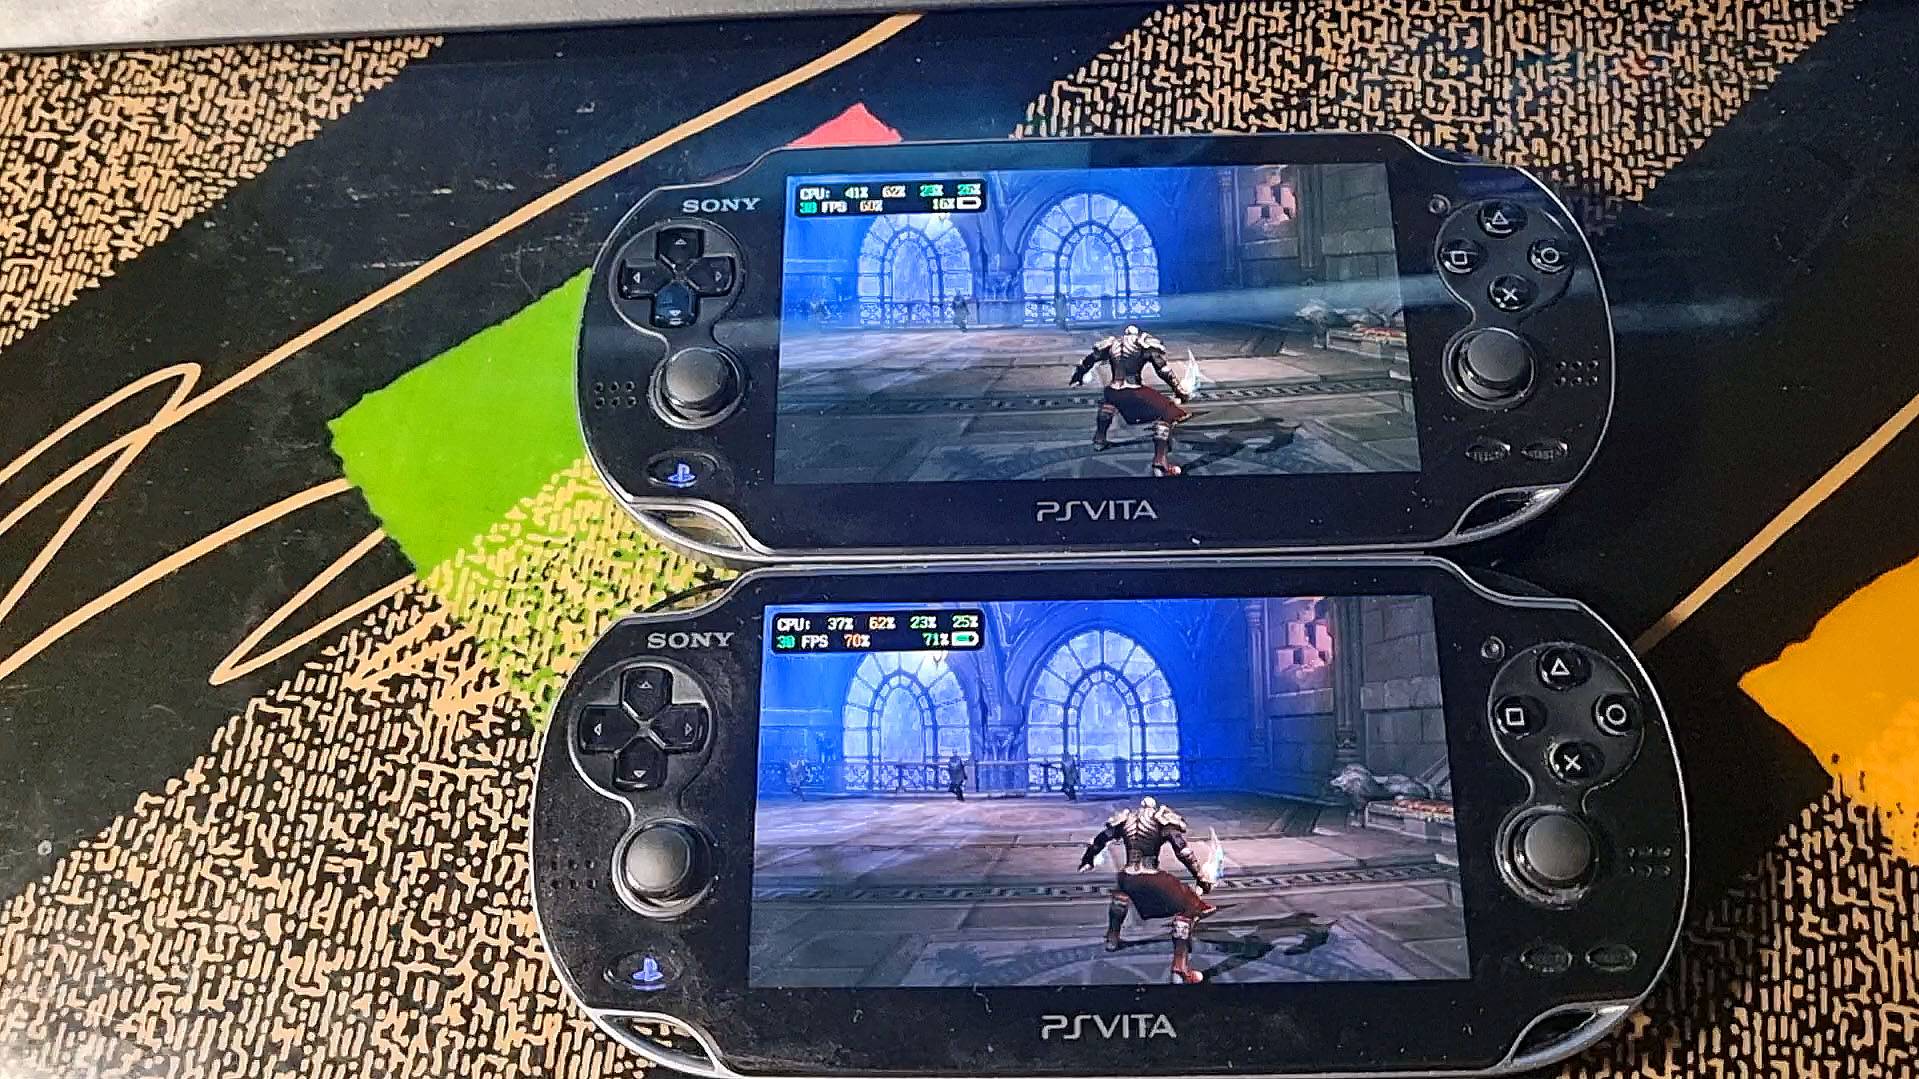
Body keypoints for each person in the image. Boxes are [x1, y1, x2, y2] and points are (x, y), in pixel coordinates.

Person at [1078, 795, 1218, 983]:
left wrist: (1087, 860)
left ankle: (1112, 939)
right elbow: (1183, 851)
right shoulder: (1161, 819)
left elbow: (1100, 840)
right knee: (1189, 905)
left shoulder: (1126, 819)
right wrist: (1200, 876)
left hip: (1126, 877)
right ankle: (1180, 969)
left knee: (1121, 894)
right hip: (1150, 876)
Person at [1068, 325, 1194, 476]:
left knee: (1108, 402)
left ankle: (1099, 440)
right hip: (1134, 391)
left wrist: (1078, 376)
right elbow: (1163, 371)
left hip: (1113, 390)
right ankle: (1160, 462)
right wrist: (1179, 390)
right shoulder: (1143, 344)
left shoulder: (1112, 344)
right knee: (1168, 411)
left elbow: (1088, 360)